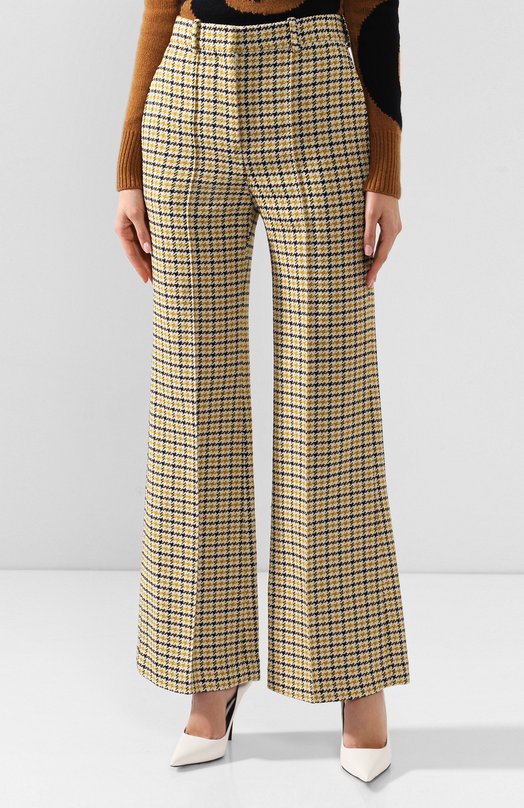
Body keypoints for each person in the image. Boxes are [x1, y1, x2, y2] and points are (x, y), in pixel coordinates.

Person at [114, 0, 410, 783]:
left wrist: (386, 167)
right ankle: (207, 673)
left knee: (331, 400)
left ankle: (356, 678)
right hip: (188, 94)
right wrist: (130, 164)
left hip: (317, 91)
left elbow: (375, 7)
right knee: (192, 405)